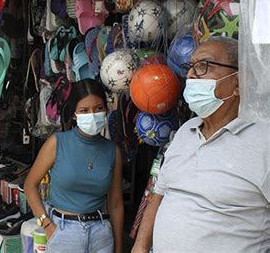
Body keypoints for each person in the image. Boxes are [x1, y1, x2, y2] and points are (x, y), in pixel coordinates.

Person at [132, 36, 270, 253]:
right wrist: (140, 246)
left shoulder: (264, 142)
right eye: (190, 66)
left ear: (239, 83)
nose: (190, 75)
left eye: (203, 66)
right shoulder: (185, 133)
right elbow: (159, 194)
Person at [25, 79, 124, 253]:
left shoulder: (112, 151)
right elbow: (30, 185)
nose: (92, 115)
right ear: (74, 114)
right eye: (84, 111)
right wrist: (47, 224)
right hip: (63, 231)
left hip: (101, 234)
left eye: (98, 108)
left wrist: (118, 247)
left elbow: (115, 204)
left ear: (106, 110)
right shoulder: (57, 143)